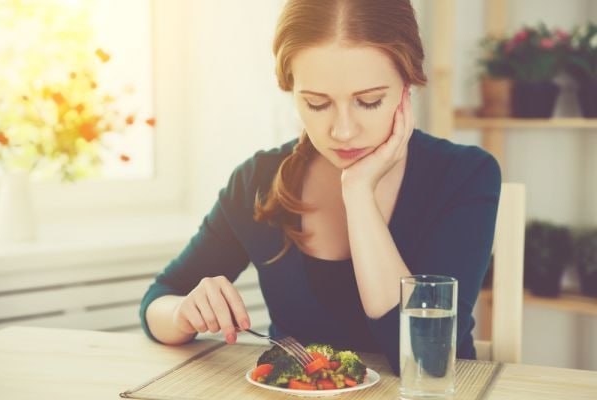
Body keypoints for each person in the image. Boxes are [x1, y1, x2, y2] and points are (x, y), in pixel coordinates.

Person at [140, 0, 501, 375]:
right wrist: (183, 313)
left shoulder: (465, 175)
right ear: (291, 90)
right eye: (317, 104)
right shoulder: (258, 180)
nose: (342, 131)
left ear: (406, 87)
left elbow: (425, 360)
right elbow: (158, 301)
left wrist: (359, 193)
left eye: (369, 101)